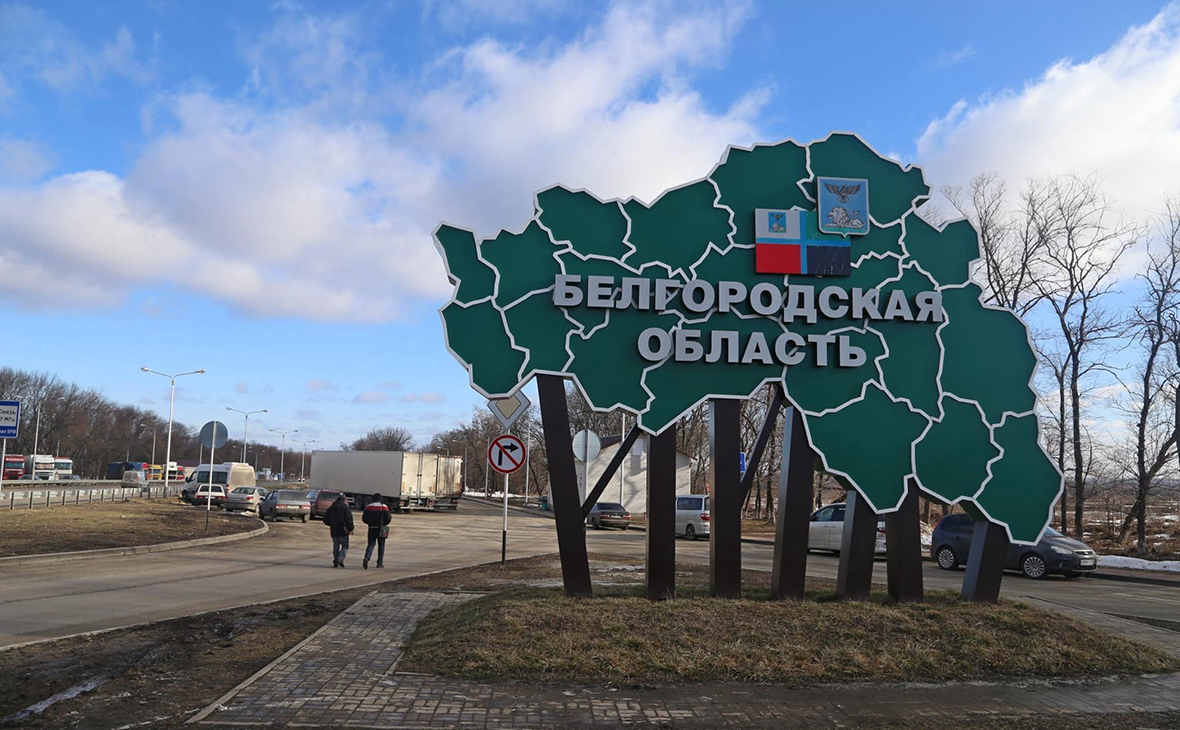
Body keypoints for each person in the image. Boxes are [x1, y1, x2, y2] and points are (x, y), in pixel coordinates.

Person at [362, 493, 392, 570]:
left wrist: (370, 523)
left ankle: (367, 558)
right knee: (381, 545)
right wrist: (384, 524)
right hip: (381, 529)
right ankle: (379, 562)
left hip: (371, 528)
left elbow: (364, 519)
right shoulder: (384, 506)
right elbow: (388, 518)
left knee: (371, 544)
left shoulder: (368, 507)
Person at [323, 494, 353, 568]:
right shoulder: (345, 508)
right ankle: (340, 559)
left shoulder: (331, 508)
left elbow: (325, 519)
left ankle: (336, 560)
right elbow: (349, 519)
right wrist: (351, 528)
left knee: (336, 546)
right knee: (345, 546)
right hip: (343, 530)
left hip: (334, 530)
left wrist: (331, 524)